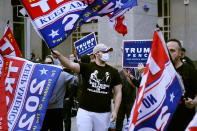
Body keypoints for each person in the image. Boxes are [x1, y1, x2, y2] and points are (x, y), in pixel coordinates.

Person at [52, 43, 122, 131]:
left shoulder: (114, 72)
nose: (107, 54)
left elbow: (118, 92)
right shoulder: (87, 67)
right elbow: (70, 64)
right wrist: (59, 55)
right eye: (104, 52)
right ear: (96, 54)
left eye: (108, 52)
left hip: (103, 113)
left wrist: (115, 111)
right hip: (85, 112)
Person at [166, 39, 197, 131]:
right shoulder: (161, 72)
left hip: (184, 120)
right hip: (165, 120)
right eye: (167, 50)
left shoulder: (190, 71)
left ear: (180, 53)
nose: (169, 53)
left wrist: (193, 103)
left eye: (172, 51)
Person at [41, 55, 78, 131]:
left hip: (57, 110)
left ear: (54, 63)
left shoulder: (62, 75)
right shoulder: (40, 76)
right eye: (46, 63)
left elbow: (77, 81)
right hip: (42, 110)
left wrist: (75, 67)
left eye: (50, 63)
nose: (48, 65)